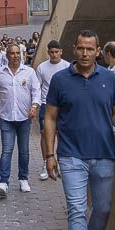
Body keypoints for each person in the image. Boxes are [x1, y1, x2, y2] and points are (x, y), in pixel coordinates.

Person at [44, 31, 115, 230]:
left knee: (103, 208)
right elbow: (50, 118)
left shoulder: (109, 78)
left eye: (89, 49)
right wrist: (49, 154)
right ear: (74, 49)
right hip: (71, 156)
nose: (84, 53)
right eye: (80, 48)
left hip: (104, 153)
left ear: (97, 51)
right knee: (77, 212)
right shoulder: (60, 80)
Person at [0, 43, 40, 198]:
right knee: (7, 150)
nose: (16, 56)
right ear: (7, 56)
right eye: (12, 53)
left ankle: (23, 178)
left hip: (24, 117)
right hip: (7, 117)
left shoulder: (29, 72)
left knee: (24, 151)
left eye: (18, 53)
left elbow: (36, 91)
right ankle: (3, 182)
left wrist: (35, 106)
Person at [35, 41, 71, 181]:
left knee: (62, 134)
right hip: (46, 104)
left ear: (61, 51)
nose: (54, 54)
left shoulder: (68, 66)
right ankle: (46, 163)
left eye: (57, 52)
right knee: (45, 134)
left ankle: (61, 163)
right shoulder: (42, 68)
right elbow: (37, 88)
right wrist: (35, 105)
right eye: (52, 52)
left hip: (64, 105)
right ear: (48, 52)